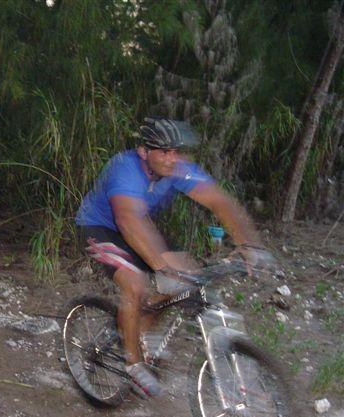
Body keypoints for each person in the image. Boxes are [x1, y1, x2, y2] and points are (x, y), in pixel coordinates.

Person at [76, 117, 272, 397]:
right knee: (136, 284)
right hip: (99, 227)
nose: (172, 159)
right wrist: (160, 265)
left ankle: (143, 331)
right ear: (144, 151)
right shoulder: (125, 168)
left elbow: (220, 202)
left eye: (177, 151)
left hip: (139, 224)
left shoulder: (179, 169)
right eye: (164, 152)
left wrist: (249, 245)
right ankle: (133, 365)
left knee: (187, 277)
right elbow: (127, 218)